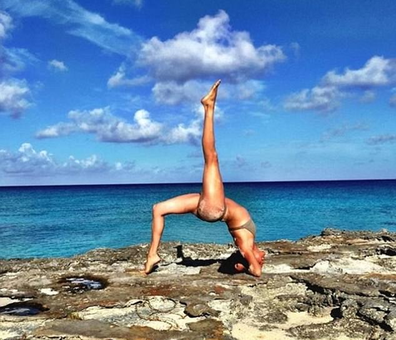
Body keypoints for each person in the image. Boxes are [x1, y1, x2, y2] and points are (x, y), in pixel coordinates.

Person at [143, 80, 265, 277]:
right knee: (158, 209)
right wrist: (255, 257)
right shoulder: (251, 247)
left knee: (211, 158)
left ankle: (209, 107)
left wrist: (250, 262)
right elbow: (257, 261)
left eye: (261, 260)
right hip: (207, 202)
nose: (263, 259)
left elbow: (257, 272)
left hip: (215, 208)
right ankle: (152, 256)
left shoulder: (245, 249)